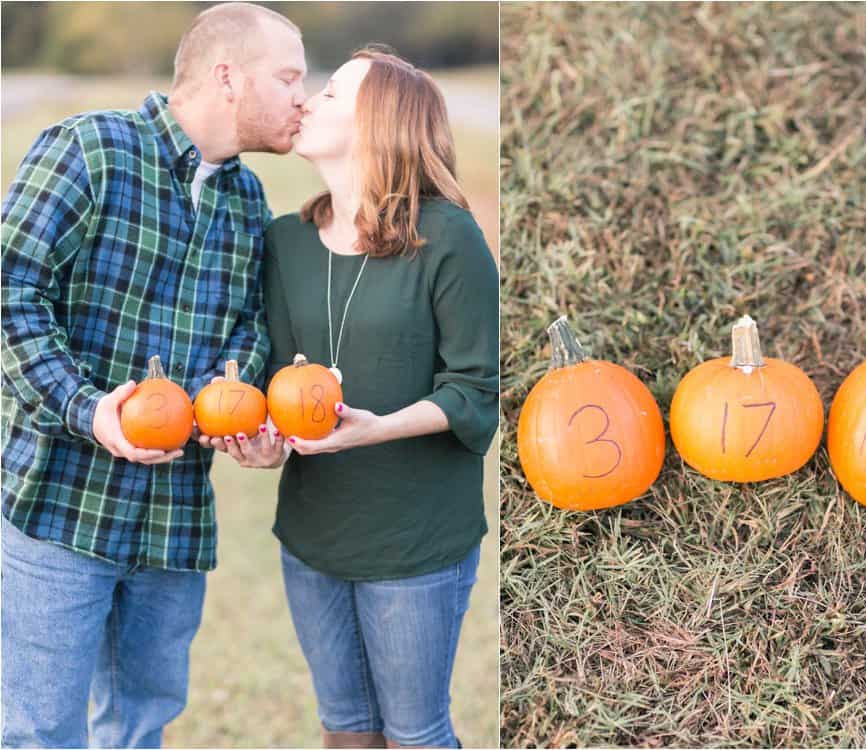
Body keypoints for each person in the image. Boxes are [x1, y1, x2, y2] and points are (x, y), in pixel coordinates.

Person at [0, 4, 306, 747]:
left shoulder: (247, 200)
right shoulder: (93, 151)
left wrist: (249, 421)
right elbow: (11, 291)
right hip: (58, 510)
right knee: (41, 733)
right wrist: (87, 407)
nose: (304, 95)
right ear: (228, 77)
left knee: (141, 727)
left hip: (173, 524)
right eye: (290, 76)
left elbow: (244, 338)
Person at [214, 48, 499, 748]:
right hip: (313, 536)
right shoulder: (286, 242)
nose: (308, 100)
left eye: (334, 93)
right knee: (344, 731)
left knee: (413, 733)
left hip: (414, 541)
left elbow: (475, 393)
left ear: (381, 123)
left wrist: (374, 429)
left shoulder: (448, 240)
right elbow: (285, 382)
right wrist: (264, 442)